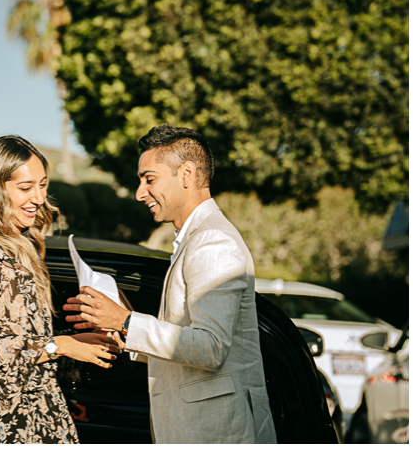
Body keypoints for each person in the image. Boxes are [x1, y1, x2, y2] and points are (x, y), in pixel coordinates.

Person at [64, 125, 277, 444]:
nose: (139, 192)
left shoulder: (213, 241)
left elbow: (211, 348)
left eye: (149, 179)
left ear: (187, 174)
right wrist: (124, 334)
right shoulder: (195, 238)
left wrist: (124, 320)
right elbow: (186, 343)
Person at [0, 135, 119, 444]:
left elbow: (25, 342)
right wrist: (58, 345)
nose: (37, 198)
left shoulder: (20, 249)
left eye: (43, 185)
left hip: (40, 417)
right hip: (5, 425)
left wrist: (76, 340)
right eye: (25, 188)